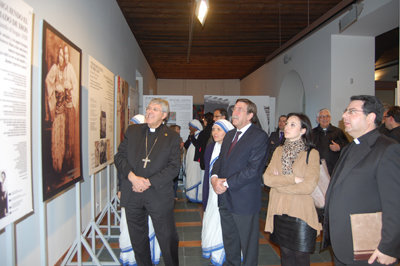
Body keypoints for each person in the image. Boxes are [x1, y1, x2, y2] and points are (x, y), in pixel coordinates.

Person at [322, 95, 400, 266]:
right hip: (344, 244)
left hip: (369, 246)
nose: (344, 116)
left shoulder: (387, 149)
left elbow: (395, 204)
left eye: (352, 112)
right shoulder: (349, 147)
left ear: (371, 117)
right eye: (345, 111)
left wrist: (389, 247)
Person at [114, 98, 181, 266]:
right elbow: (119, 157)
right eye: (149, 108)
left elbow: (174, 167)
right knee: (137, 238)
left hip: (158, 194)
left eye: (155, 109)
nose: (149, 111)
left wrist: (148, 182)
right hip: (133, 192)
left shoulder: (172, 137)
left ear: (164, 115)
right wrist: (132, 177)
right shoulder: (133, 131)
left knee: (167, 237)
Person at [211, 98, 269, 266]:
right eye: (234, 109)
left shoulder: (259, 136)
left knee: (248, 245)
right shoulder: (229, 135)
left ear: (250, 115)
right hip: (225, 198)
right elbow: (220, 162)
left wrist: (226, 183)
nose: (234, 113)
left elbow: (253, 170)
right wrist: (214, 179)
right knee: (230, 241)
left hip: (244, 200)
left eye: (239, 110)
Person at [264, 113, 321, 266]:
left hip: (301, 211)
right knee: (286, 255)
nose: (286, 127)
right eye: (287, 123)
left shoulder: (312, 154)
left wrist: (279, 184)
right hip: (279, 208)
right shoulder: (278, 151)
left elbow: (309, 186)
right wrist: (293, 180)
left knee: (301, 256)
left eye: (292, 124)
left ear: (303, 130)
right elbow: (267, 179)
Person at [117, 114, 161, 265]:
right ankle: (130, 258)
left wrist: (146, 183)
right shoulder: (128, 143)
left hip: (150, 193)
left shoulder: (156, 143)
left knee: (148, 227)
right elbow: (120, 163)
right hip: (130, 191)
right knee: (129, 228)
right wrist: (121, 186)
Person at [201, 119, 234, 266]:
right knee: (212, 218)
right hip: (212, 190)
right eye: (213, 129)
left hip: (227, 191)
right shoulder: (210, 147)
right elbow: (207, 171)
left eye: (219, 130)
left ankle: (225, 252)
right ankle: (215, 251)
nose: (215, 132)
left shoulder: (233, 148)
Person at [45, 45, 66, 173]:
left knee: (62, 137)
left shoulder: (65, 71)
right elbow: (49, 82)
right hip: (56, 110)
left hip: (63, 111)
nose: (61, 58)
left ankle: (61, 163)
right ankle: (56, 165)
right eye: (60, 55)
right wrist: (56, 87)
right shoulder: (54, 68)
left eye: (63, 55)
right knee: (56, 137)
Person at [312, 108, 349, 175]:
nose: (325, 119)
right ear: (318, 119)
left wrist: (339, 147)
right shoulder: (312, 133)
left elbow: (348, 147)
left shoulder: (338, 132)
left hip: (334, 168)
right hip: (316, 168)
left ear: (330, 118)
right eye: (322, 117)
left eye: (327, 116)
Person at [63, 45, 79, 171]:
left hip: (70, 109)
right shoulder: (59, 70)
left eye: (67, 54)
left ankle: (69, 161)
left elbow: (75, 88)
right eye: (63, 54)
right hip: (62, 111)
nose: (65, 57)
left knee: (70, 137)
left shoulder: (70, 70)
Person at [184, 119, 203, 202]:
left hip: (195, 162)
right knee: (190, 176)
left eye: (190, 126)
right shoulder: (191, 135)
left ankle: (196, 197)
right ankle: (190, 195)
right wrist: (190, 137)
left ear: (195, 127)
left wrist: (192, 136)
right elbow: (186, 145)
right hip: (190, 160)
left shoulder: (200, 135)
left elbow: (197, 145)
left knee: (194, 177)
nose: (189, 128)